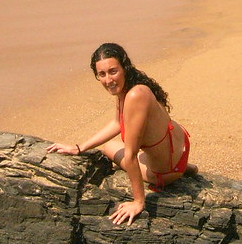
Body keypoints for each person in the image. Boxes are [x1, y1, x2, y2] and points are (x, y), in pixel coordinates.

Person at [47, 43, 197, 226]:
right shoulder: (134, 87)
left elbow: (131, 154)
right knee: (121, 145)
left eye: (113, 71)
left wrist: (138, 202)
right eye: (102, 74)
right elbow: (118, 123)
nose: (108, 80)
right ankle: (186, 167)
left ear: (124, 67)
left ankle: (177, 171)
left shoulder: (134, 97)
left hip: (166, 172)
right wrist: (80, 148)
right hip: (181, 149)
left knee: (110, 148)